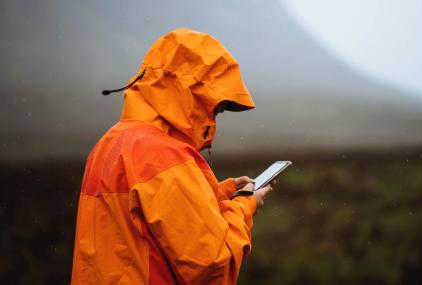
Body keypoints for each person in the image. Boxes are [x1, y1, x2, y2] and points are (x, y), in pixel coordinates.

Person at [71, 28, 274, 284]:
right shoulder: (162, 155)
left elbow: (145, 221)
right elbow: (211, 265)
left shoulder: (111, 141)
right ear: (194, 97)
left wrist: (221, 195)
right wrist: (245, 205)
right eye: (216, 109)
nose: (213, 120)